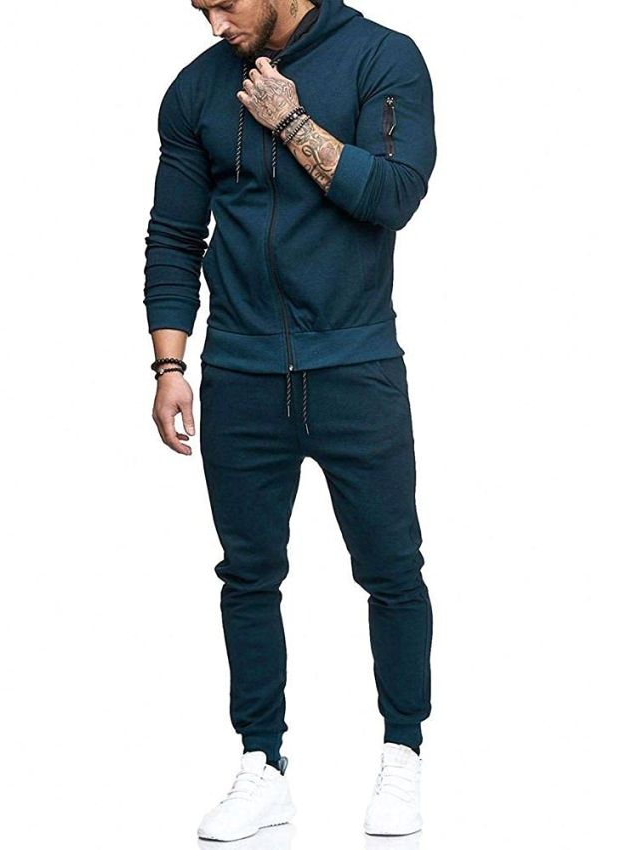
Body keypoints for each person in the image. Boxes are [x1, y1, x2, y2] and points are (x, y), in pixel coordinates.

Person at [143, 0, 437, 839]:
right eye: (199, 8)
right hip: (240, 373)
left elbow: (394, 194)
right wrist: (170, 366)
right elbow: (174, 235)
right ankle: (260, 764)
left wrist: (291, 120)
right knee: (247, 575)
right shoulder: (194, 90)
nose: (213, 24)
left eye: (224, 3)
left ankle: (403, 749)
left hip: (355, 366)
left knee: (391, 570)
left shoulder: (383, 57)